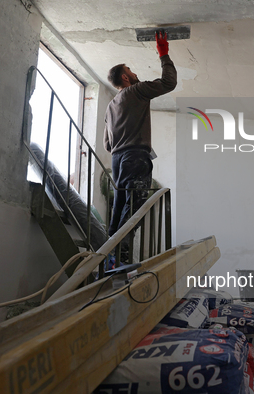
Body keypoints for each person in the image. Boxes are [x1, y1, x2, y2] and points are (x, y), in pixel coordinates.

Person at [103, 31, 177, 262]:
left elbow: (107, 144)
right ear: (125, 79)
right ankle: (121, 257)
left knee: (120, 208)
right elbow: (168, 83)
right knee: (135, 207)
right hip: (135, 157)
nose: (135, 74)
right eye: (131, 72)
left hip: (117, 160)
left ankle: (110, 257)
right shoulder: (136, 91)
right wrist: (163, 54)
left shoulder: (110, 106)